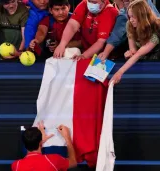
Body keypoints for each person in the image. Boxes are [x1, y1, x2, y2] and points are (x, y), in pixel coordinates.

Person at [52, 0, 118, 167]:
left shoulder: (110, 12)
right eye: (89, 1)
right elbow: (73, 25)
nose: (91, 4)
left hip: (105, 57)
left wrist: (84, 56)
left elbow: (101, 43)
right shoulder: (84, 4)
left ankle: (93, 147)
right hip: (87, 54)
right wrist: (62, 44)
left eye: (94, 2)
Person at [110, 0, 160, 84]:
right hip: (142, 59)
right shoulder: (129, 24)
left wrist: (119, 72)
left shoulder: (156, 29)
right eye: (129, 17)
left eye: (133, 17)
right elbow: (133, 50)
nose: (131, 20)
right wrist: (130, 53)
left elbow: (138, 54)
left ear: (142, 16)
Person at [11, 122, 77, 171]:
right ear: (40, 143)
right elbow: (73, 162)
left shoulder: (16, 165)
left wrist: (40, 141)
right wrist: (67, 138)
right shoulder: (54, 160)